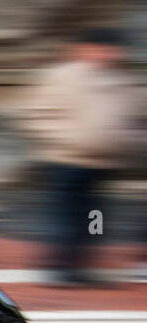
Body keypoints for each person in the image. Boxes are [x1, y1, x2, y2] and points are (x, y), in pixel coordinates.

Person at [25, 28, 138, 285]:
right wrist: (69, 139)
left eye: (113, 50)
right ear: (87, 49)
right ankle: (59, 268)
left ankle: (84, 265)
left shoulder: (122, 80)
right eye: (104, 48)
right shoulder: (62, 77)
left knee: (94, 219)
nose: (110, 54)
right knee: (66, 216)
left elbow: (129, 121)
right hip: (66, 161)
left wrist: (125, 141)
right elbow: (37, 115)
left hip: (103, 164)